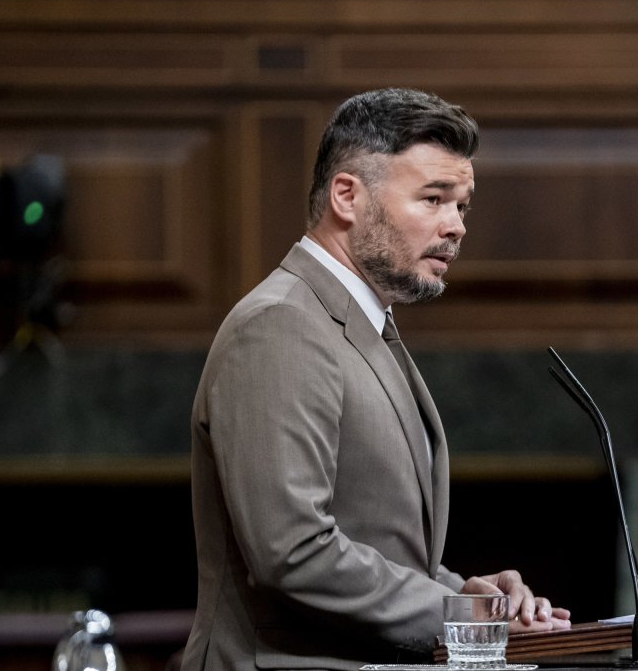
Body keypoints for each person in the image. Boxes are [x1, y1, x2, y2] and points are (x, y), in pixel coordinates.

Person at [180, 87, 571, 671]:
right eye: (433, 199)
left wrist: (463, 592)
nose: (456, 226)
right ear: (347, 195)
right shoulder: (281, 325)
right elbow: (293, 552)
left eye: (461, 206)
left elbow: (371, 541)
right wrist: (456, 615)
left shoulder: (357, 324)